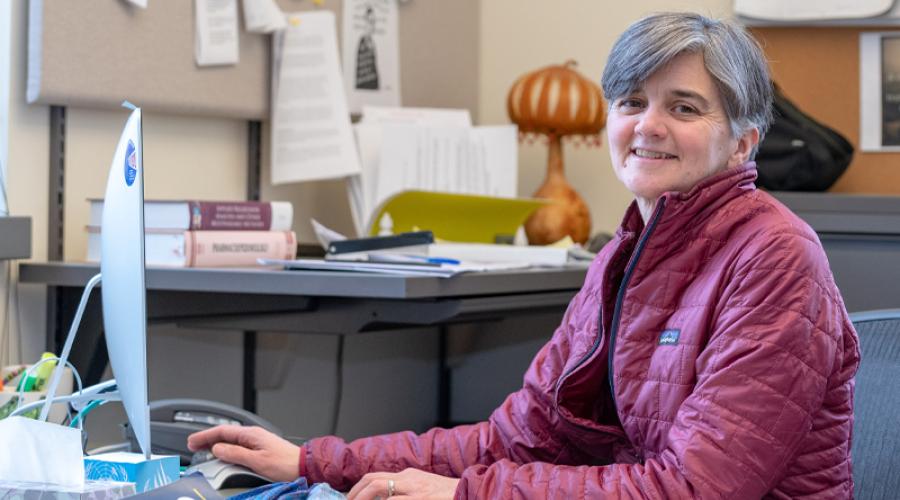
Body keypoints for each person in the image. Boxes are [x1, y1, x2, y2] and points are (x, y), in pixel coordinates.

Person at [188, 12, 860, 499]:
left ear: (743, 142)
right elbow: (514, 439)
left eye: (683, 108)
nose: (648, 126)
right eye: (631, 102)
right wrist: (312, 461)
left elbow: (693, 488)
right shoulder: (620, 259)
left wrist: (457, 497)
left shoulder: (774, 259)